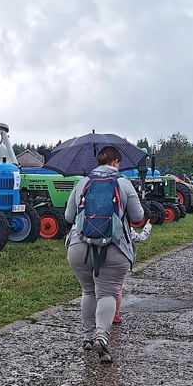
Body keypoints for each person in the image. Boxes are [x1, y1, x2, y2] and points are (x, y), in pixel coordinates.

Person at [65, 146, 144, 363]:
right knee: (107, 293)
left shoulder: (82, 183)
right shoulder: (124, 183)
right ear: (116, 161)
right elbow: (138, 217)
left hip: (79, 247)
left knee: (88, 292)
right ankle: (102, 336)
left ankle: (88, 337)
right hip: (114, 248)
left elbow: (68, 215)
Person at [114, 220, 152, 323]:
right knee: (118, 288)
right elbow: (140, 238)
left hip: (100, 258)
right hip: (121, 257)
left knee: (99, 289)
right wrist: (147, 226)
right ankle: (115, 315)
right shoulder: (124, 224)